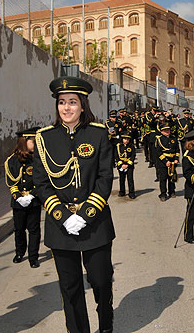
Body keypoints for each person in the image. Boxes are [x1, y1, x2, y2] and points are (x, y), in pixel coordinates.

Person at [34, 76, 115, 333]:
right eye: (61, 102)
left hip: (95, 222)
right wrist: (63, 216)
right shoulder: (44, 138)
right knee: (70, 288)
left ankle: (105, 322)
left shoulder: (98, 133)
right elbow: (41, 182)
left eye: (72, 102)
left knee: (101, 280)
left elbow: (104, 178)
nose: (66, 107)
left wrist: (85, 215)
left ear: (83, 105)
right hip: (61, 227)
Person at [5, 126, 42, 268]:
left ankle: (33, 257)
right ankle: (20, 252)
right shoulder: (12, 160)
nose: (36, 144)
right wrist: (18, 196)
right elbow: (10, 180)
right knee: (19, 229)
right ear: (24, 141)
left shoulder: (38, 159)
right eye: (33, 141)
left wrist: (32, 196)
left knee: (34, 230)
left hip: (34, 200)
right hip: (18, 201)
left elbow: (41, 180)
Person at [154, 122, 180, 201]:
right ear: (161, 131)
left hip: (172, 161)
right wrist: (165, 161)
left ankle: (172, 191)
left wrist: (176, 158)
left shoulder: (173, 138)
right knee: (163, 178)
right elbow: (158, 152)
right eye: (165, 130)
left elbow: (177, 150)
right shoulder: (159, 139)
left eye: (168, 130)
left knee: (171, 177)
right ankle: (163, 194)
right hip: (163, 162)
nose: (167, 131)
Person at [115, 133, 136, 199]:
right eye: (125, 139)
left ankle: (131, 193)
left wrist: (128, 164)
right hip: (121, 164)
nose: (126, 140)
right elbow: (116, 155)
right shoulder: (118, 146)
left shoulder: (131, 146)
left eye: (127, 139)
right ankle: (122, 191)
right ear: (122, 139)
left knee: (130, 179)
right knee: (121, 179)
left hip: (129, 165)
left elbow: (133, 155)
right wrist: (121, 164)